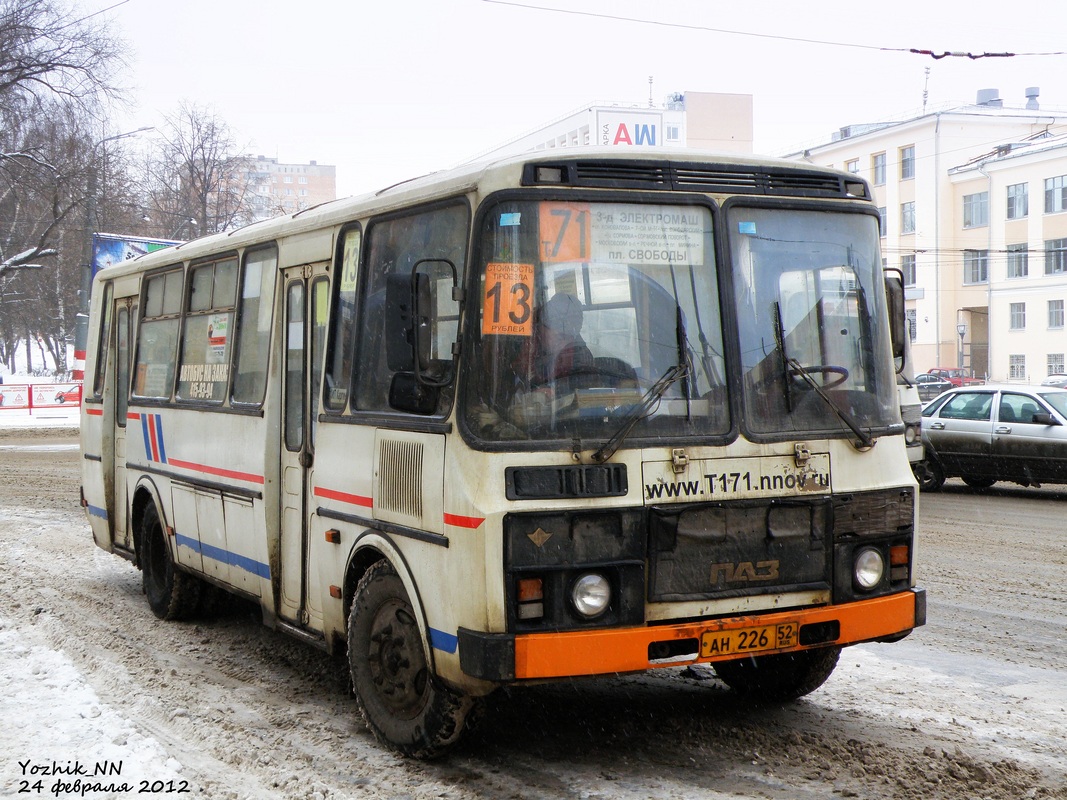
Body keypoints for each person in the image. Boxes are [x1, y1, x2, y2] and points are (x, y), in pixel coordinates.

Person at [532, 293, 595, 386]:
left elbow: (582, 391)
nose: (560, 333)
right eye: (553, 323)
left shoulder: (580, 355)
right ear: (539, 329)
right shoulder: (528, 351)